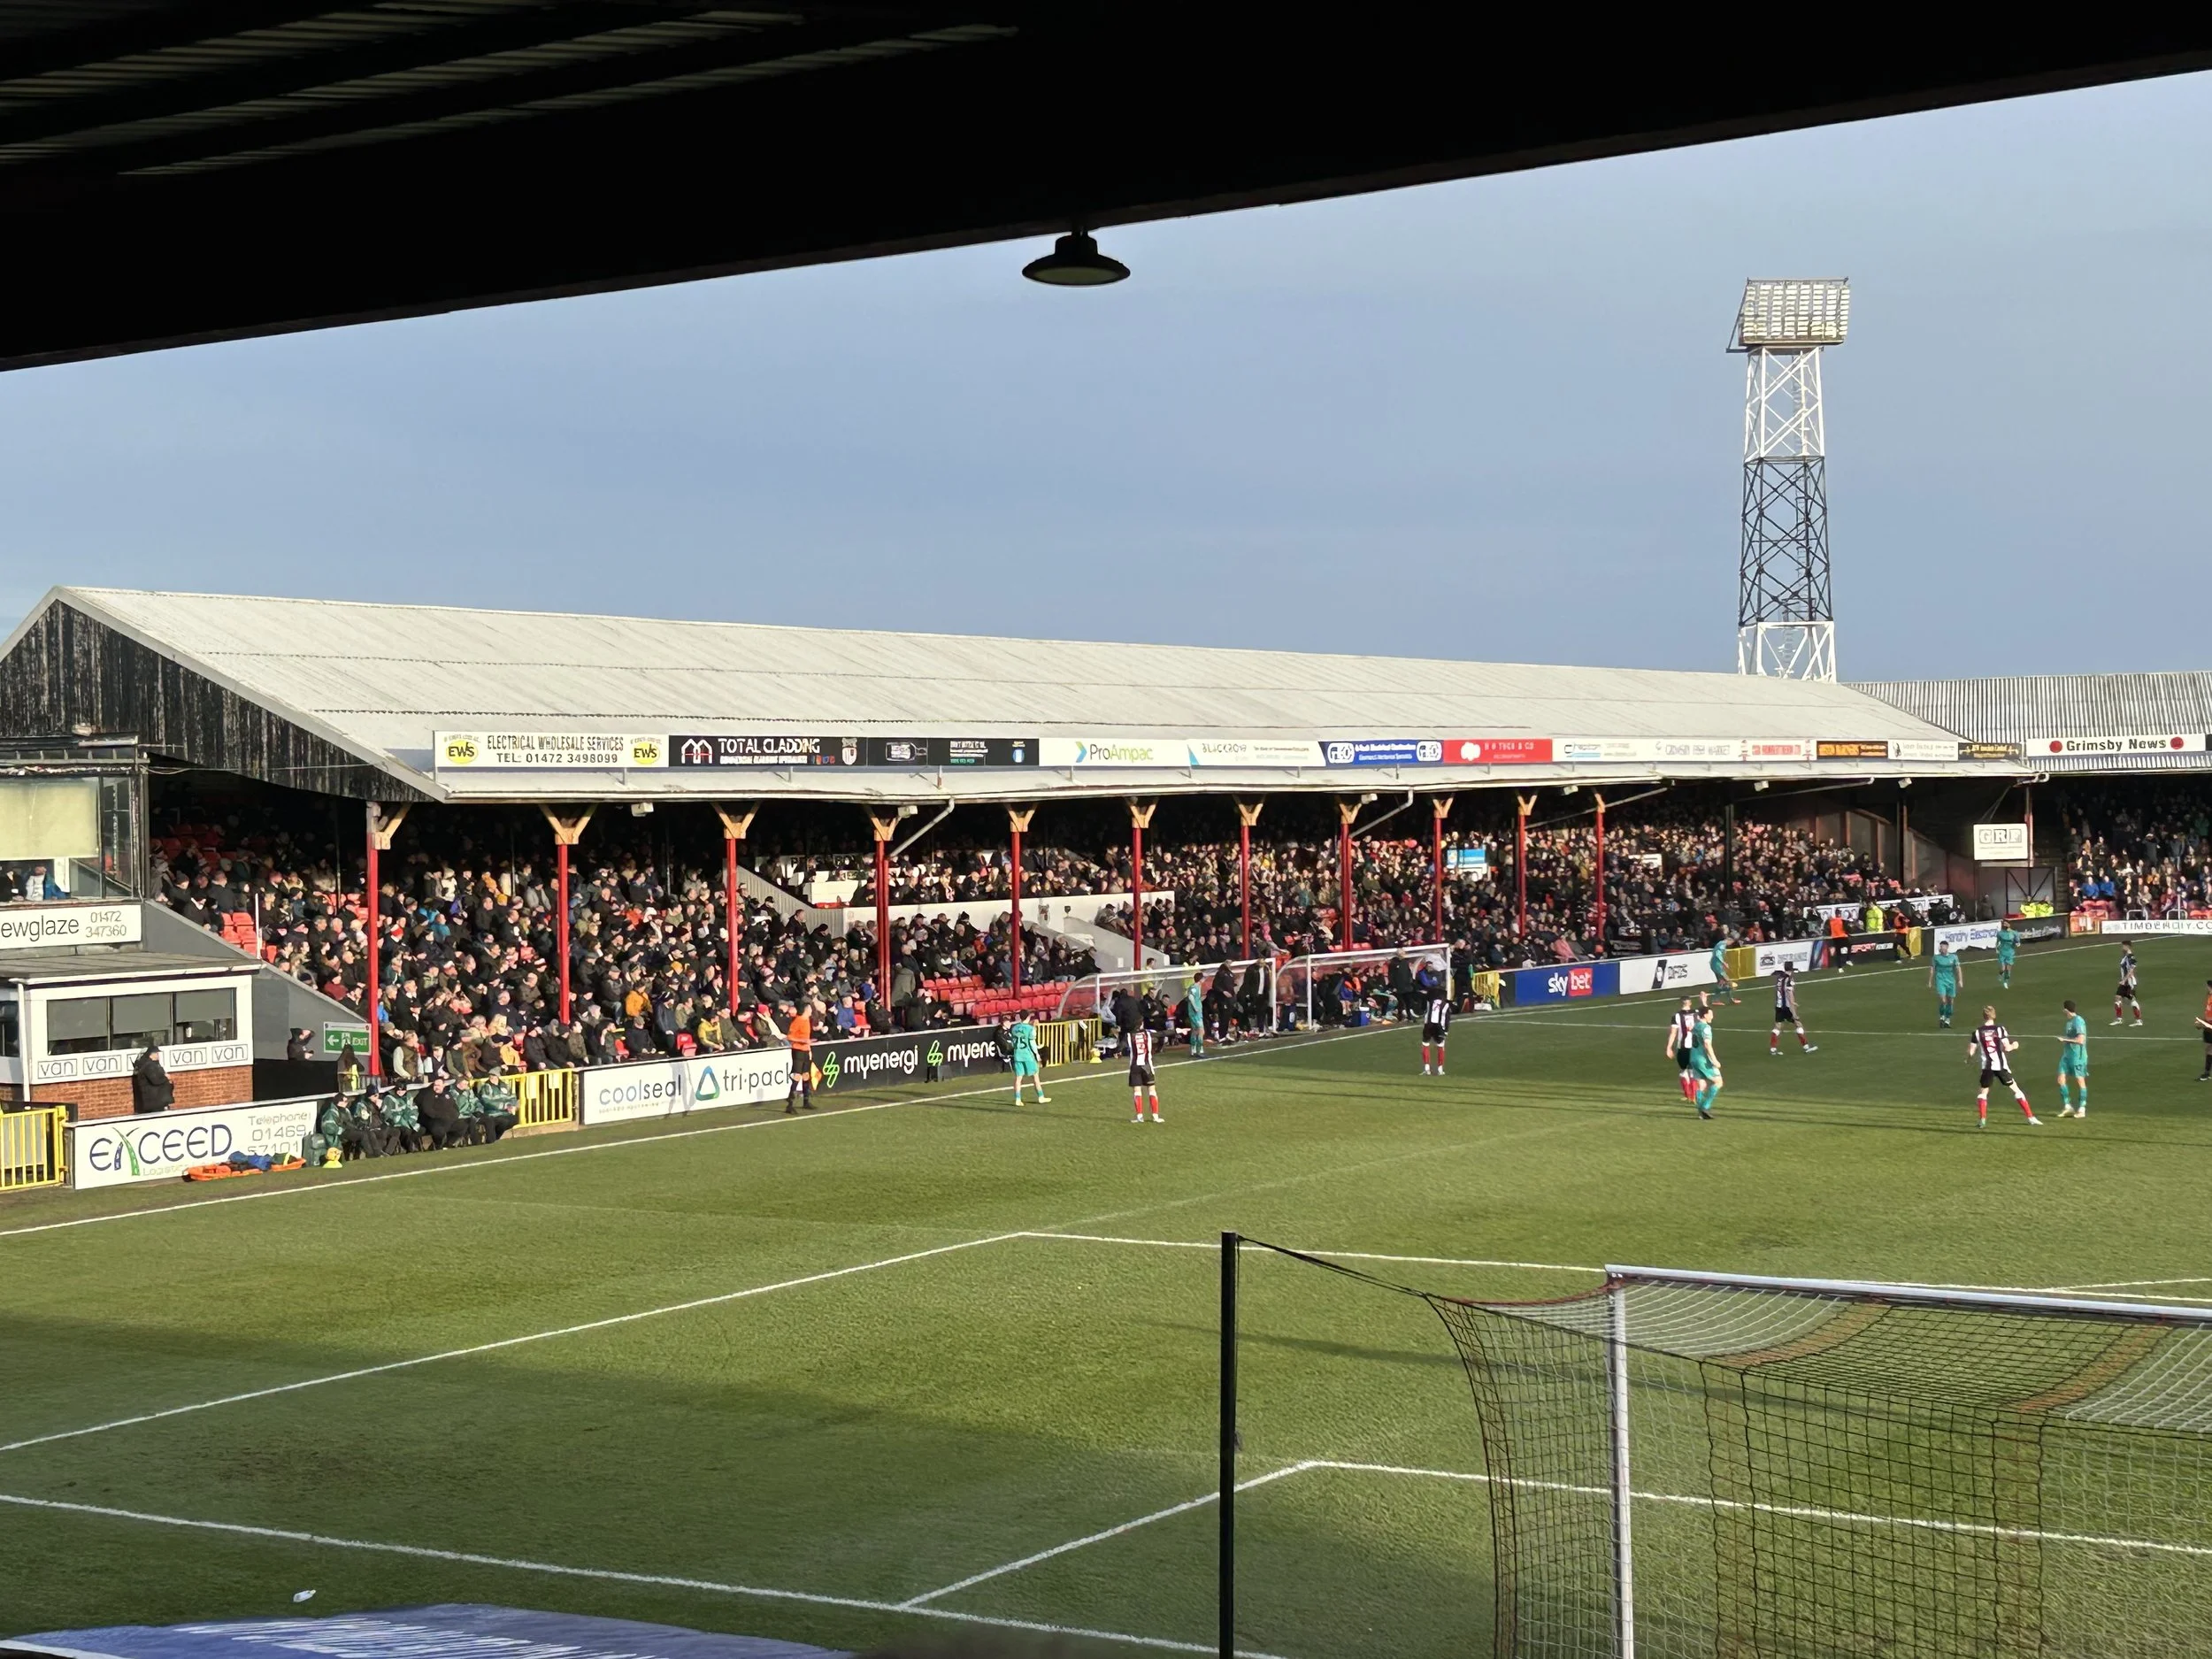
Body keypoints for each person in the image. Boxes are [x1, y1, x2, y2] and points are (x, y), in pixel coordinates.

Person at [1970, 1005, 2039, 1127]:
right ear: (1994, 1015)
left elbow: (1971, 1052)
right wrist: (2015, 1045)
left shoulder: (1977, 1032)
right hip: (2000, 1066)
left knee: (1983, 1092)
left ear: (1983, 1016)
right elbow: (2007, 1048)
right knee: (2015, 1089)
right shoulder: (1999, 1029)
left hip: (1987, 1067)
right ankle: (2030, 1117)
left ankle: (1982, 1120)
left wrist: (1968, 1059)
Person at [1769, 964, 1816, 1055]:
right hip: (1786, 1007)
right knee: (1798, 1024)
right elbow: (1790, 995)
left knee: (1778, 1026)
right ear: (1791, 970)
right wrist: (1794, 1011)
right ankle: (1806, 1047)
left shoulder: (1779, 978)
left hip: (1778, 1006)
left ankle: (1773, 1049)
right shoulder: (1789, 980)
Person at [2056, 999, 2090, 1118]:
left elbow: (2081, 1040)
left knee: (2080, 1080)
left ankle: (2082, 1109)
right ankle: (2067, 1106)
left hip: (2078, 1057)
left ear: (2066, 1009)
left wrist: (2064, 1039)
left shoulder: (2078, 1021)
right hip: (2067, 1056)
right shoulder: (2069, 1022)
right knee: (2060, 1079)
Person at [1688, 1007, 1723, 1120]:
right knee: (1718, 1082)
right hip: (1702, 1060)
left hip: (1693, 1058)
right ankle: (1705, 1106)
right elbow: (1707, 1045)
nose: (1712, 1016)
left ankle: (1700, 1113)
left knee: (1701, 1085)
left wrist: (1704, 1003)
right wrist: (1715, 1060)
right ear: (1705, 1015)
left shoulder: (1696, 1025)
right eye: (1710, 1014)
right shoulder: (1706, 1028)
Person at [1007, 1014, 1048, 1105]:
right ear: (1028, 1017)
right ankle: (1041, 1097)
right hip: (1027, 1055)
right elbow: (1032, 1043)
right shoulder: (1030, 1029)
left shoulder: (1014, 1028)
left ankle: (1018, 1099)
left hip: (1017, 1055)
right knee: (1035, 1077)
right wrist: (1037, 1054)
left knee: (1018, 1078)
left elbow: (1013, 1042)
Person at [1663, 997, 1699, 1102]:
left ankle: (1688, 1095)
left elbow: (1673, 1033)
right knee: (1693, 1072)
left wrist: (1669, 1047)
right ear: (1690, 1003)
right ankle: (1694, 1096)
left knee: (1683, 1071)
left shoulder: (1676, 1016)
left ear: (1680, 1003)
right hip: (1695, 1047)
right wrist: (1704, 1002)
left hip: (1682, 1047)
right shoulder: (1696, 1013)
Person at [1128, 1022, 1161, 1123]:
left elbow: (1120, 1046)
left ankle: (1139, 1117)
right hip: (1147, 1067)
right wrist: (1178, 1031)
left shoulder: (1129, 1035)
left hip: (1135, 1067)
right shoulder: (1148, 1034)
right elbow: (1162, 1033)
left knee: (1137, 1091)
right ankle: (1155, 1116)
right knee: (1152, 1090)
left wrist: (1117, 1051)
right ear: (1142, 1024)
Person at [130, 1042, 174, 1114]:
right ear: (151, 1055)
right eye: (156, 1053)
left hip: (159, 1100)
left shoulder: (154, 1065)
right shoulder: (149, 1066)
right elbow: (155, 1080)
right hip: (154, 1101)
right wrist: (166, 1078)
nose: (158, 1055)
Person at [1417, 986, 1453, 1076]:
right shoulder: (1446, 1004)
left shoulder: (1429, 1002)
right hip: (1439, 1027)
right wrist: (1445, 1031)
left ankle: (1427, 1069)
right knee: (1440, 1046)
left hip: (1428, 1026)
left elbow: (1422, 1010)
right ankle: (1440, 1070)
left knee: (1425, 1044)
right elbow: (1446, 1019)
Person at [1930, 942, 1962, 1028]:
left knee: (1950, 1001)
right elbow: (1932, 969)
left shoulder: (1953, 957)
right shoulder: (1936, 957)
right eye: (1940, 946)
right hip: (1940, 981)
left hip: (1951, 982)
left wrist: (1960, 980)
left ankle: (1947, 1019)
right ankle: (1942, 1016)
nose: (1941, 948)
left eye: (1943, 946)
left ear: (1947, 947)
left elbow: (1958, 969)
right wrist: (1930, 981)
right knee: (1943, 1000)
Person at [2114, 942, 2143, 1026]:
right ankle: (2119, 1019)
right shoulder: (2125, 957)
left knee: (2132, 1001)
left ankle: (2139, 1020)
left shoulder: (2131, 957)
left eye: (2123, 946)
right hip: (2124, 982)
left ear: (2127, 946)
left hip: (2129, 982)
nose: (2122, 948)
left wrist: (2124, 980)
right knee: (2117, 998)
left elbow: (2131, 970)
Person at [1709, 934, 1740, 1005]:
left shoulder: (1720, 943)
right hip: (1717, 967)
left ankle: (1717, 1000)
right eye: (1732, 942)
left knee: (1722, 983)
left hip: (1715, 966)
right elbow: (1718, 954)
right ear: (1730, 940)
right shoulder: (1722, 945)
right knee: (1728, 982)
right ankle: (1729, 999)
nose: (1731, 944)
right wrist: (1724, 963)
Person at [1996, 921, 2020, 989]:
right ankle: (2000, 974)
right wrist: (1997, 948)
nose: (2005, 925)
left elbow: (2017, 941)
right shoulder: (2000, 933)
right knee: (2002, 969)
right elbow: (1998, 941)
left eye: (2006, 923)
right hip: (2002, 952)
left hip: (2010, 953)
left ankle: (2005, 982)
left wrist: (2017, 943)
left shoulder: (2014, 933)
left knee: (2008, 969)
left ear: (2009, 924)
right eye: (2004, 924)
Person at [2196, 980, 2212, 1083]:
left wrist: (2203, 1024)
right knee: (2209, 1049)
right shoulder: (2210, 997)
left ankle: (2206, 1073)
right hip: (2208, 1026)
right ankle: (2206, 1073)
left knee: (2210, 1049)